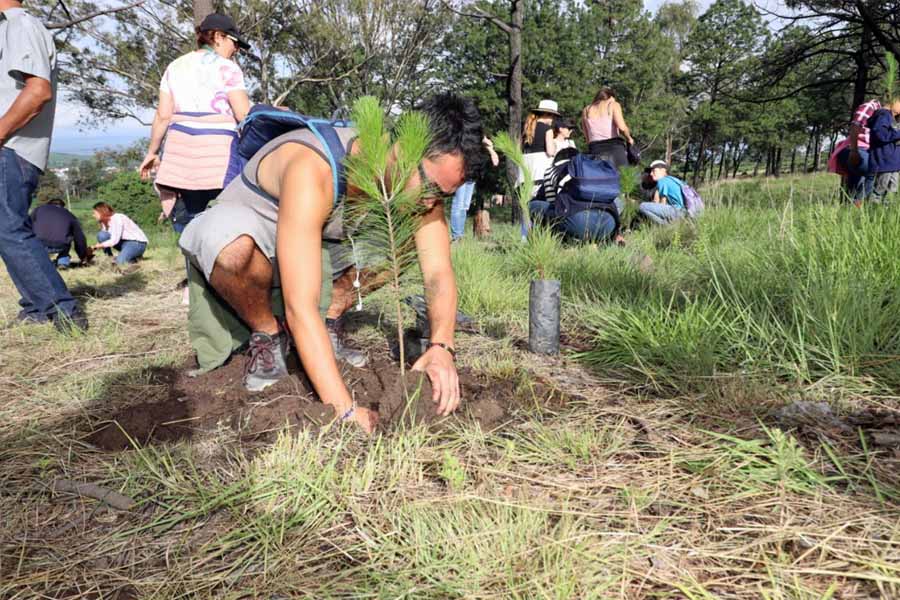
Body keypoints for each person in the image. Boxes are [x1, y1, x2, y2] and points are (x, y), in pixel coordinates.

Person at [179, 93, 484, 433]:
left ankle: (332, 317)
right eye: (430, 187)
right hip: (253, 239)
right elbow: (300, 306)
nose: (431, 202)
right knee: (230, 246)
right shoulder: (314, 165)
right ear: (404, 148)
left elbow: (438, 271)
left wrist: (442, 346)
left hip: (314, 247)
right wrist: (344, 409)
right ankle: (267, 334)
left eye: (443, 196)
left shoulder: (422, 191)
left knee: (404, 242)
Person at [140, 13, 251, 301]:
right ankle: (227, 284)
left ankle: (197, 286)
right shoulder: (229, 69)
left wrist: (152, 152)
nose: (236, 49)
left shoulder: (174, 67)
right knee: (227, 217)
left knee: (192, 218)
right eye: (234, 42)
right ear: (217, 36)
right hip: (220, 154)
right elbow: (242, 114)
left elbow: (163, 115)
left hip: (181, 152)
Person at [0, 0, 87, 331]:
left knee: (9, 229)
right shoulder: (8, 28)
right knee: (7, 230)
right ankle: (37, 306)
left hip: (13, 148)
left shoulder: (21, 25)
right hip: (10, 147)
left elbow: (37, 92)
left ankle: (62, 310)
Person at [529, 148, 623, 244]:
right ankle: (601, 240)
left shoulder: (552, 171)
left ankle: (554, 241)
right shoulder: (592, 170)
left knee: (533, 205)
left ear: (556, 160)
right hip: (609, 224)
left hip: (579, 224)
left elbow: (554, 205)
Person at [449, 137, 499, 241]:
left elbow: (484, 140)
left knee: (464, 206)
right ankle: (456, 236)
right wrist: (486, 143)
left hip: (472, 171)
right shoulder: (462, 127)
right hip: (460, 169)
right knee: (458, 204)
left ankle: (460, 235)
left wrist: (492, 151)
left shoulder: (476, 130)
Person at [581, 87, 634, 170]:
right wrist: (629, 138)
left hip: (595, 149)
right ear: (610, 97)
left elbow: (587, 137)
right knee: (625, 178)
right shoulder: (613, 105)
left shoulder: (586, 110)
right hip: (614, 148)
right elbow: (622, 128)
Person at [30, 199, 92, 269]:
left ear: (48, 204)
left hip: (40, 244)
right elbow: (79, 238)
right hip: (60, 246)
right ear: (63, 206)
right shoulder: (70, 215)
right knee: (68, 236)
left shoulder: (38, 210)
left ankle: (37, 262)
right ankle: (63, 262)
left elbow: (28, 225)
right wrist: (83, 256)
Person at [866, 98, 900, 203]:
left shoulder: (893, 118)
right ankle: (873, 214)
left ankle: (885, 215)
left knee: (891, 191)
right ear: (894, 103)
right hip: (884, 161)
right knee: (880, 190)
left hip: (893, 163)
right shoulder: (883, 115)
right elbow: (880, 134)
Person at [521, 100, 561, 191]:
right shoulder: (547, 129)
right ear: (547, 114)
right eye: (553, 116)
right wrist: (554, 145)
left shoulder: (526, 129)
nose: (553, 120)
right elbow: (550, 152)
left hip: (524, 171)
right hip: (540, 172)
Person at [639, 160, 686, 225]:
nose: (651, 174)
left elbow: (662, 203)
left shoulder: (662, 181)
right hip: (685, 212)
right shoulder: (673, 179)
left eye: (654, 171)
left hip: (678, 212)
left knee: (642, 206)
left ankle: (666, 226)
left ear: (663, 170)